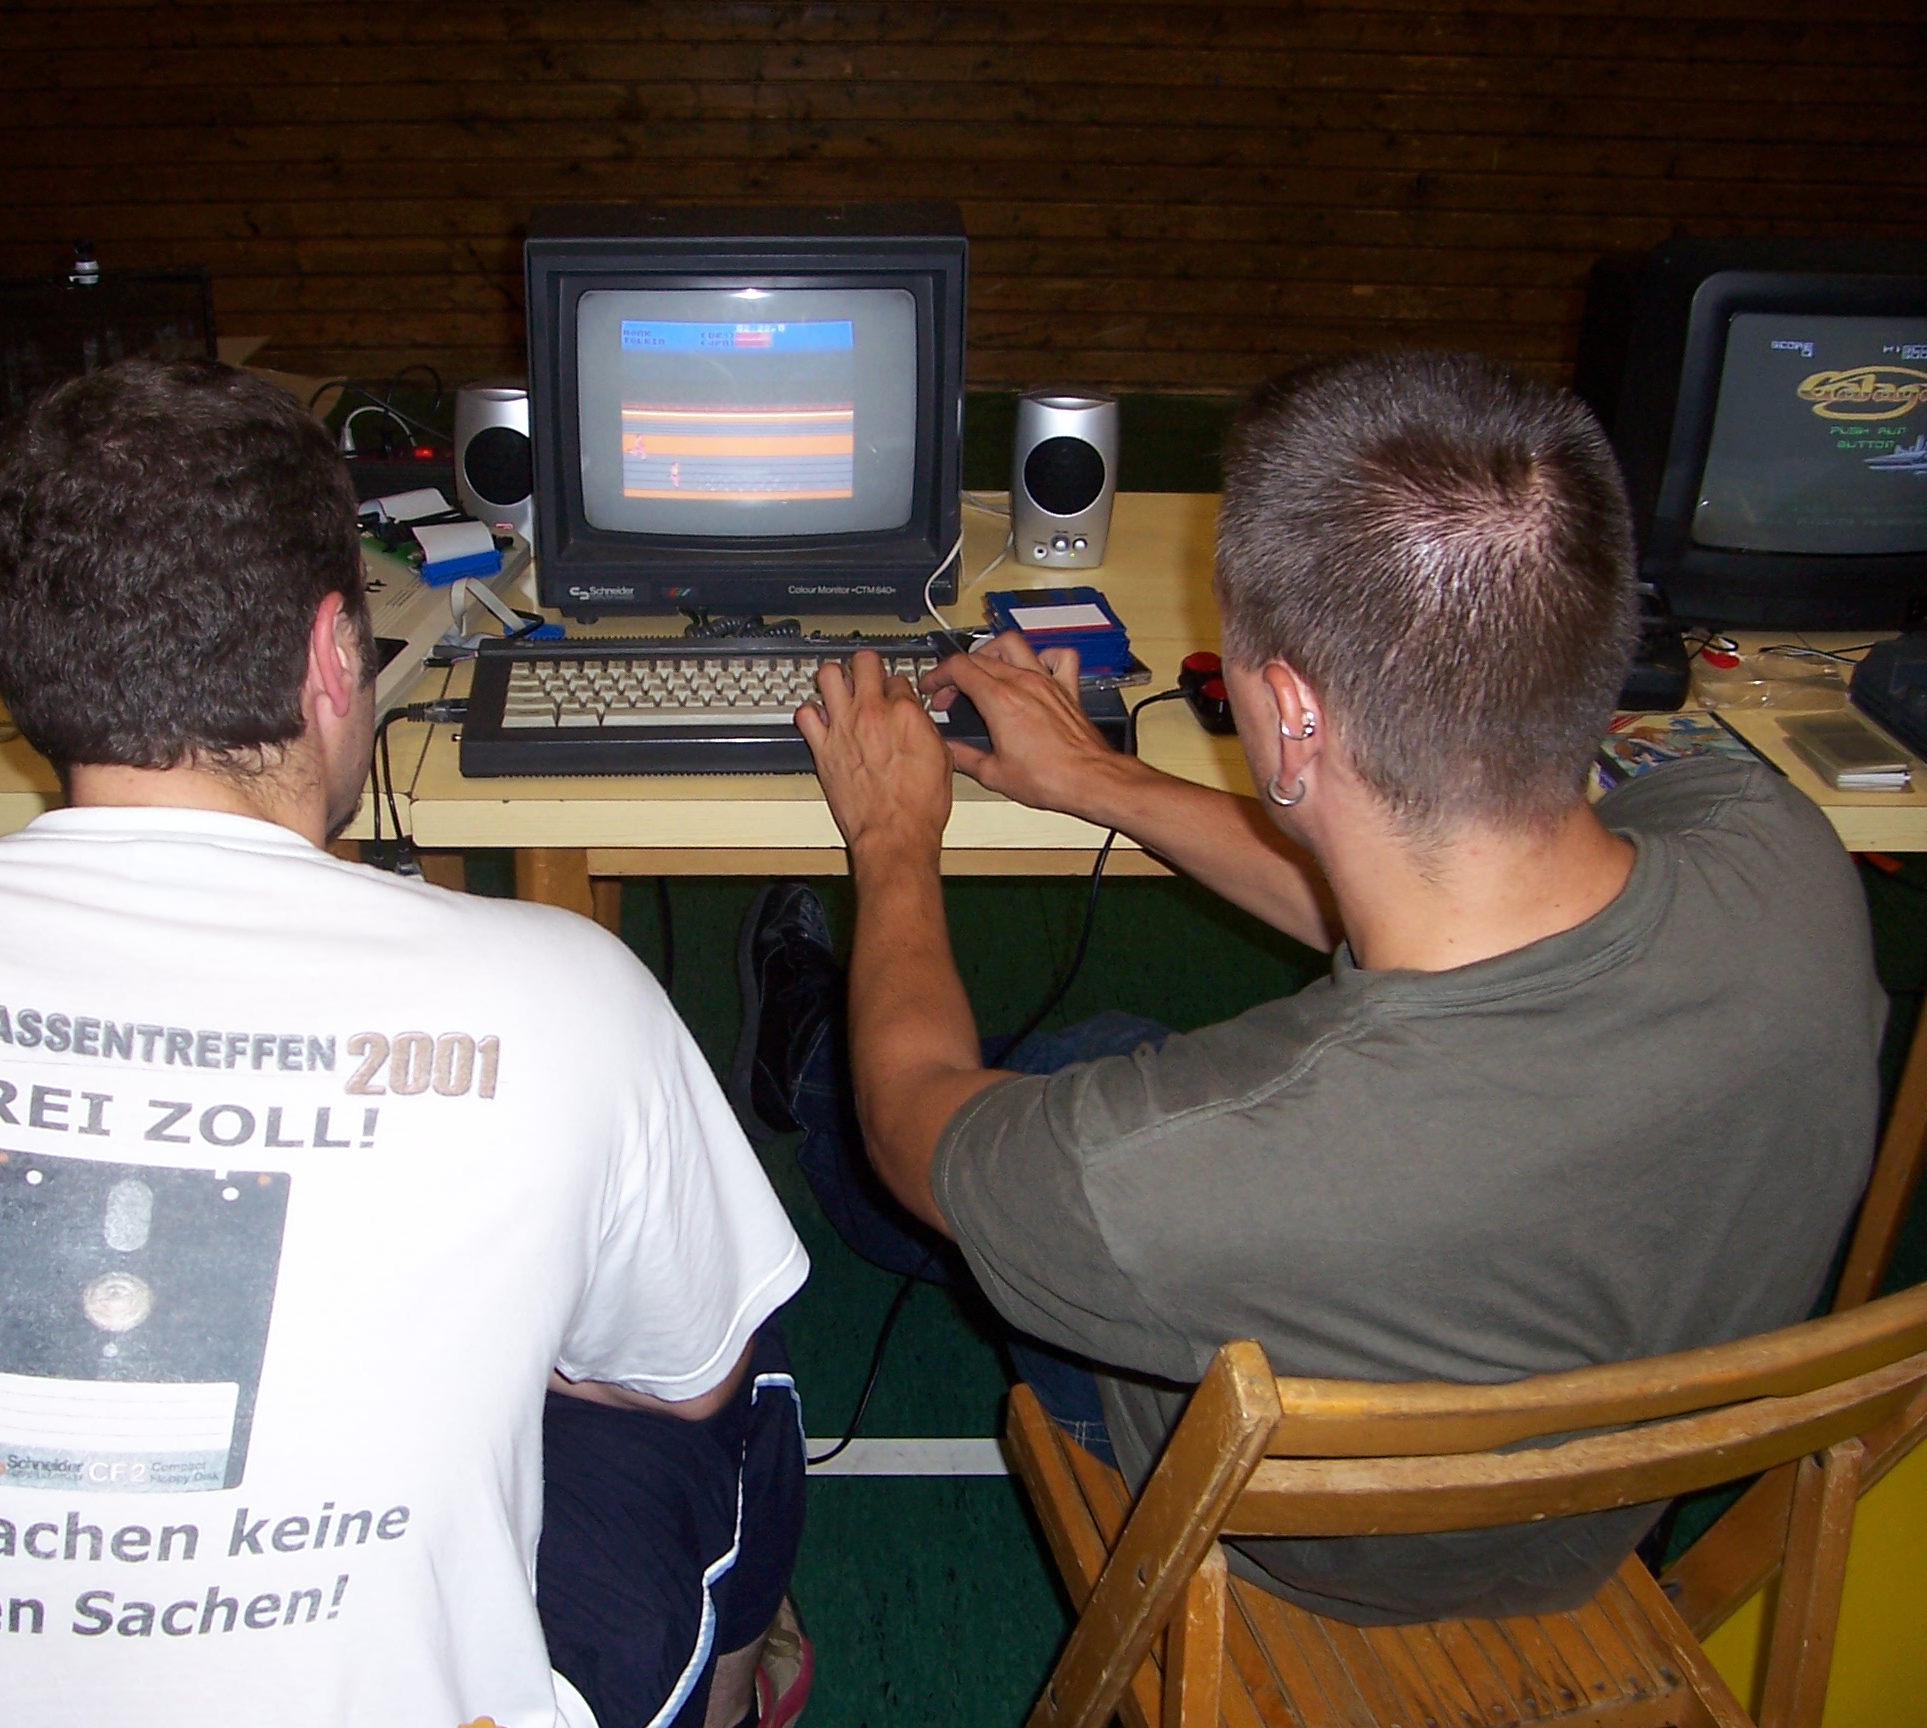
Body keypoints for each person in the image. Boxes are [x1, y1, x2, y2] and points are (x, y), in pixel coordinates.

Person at [0, 360, 811, 1728]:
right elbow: (681, 1384)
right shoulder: (572, 999)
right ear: (331, 656)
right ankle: (735, 1688)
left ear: (25, 669)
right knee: (740, 1352)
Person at [732, 350, 1883, 1624]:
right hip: (1599, 1518)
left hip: (1307, 1549)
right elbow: (1441, 883)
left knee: (1001, 1099)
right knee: (1100, 1071)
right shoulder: (1781, 854)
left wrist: (894, 840)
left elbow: (916, 1124)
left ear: (1290, 713)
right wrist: (1102, 780)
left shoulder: (1163, 1177)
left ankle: (801, 1056)